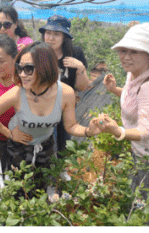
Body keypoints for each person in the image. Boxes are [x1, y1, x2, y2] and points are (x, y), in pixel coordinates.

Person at [0, 42, 94, 192]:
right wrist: (10, 134)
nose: (22, 74)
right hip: (19, 148)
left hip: (46, 145)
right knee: (19, 190)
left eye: (28, 69)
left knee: (42, 187)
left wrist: (89, 131)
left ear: (45, 68)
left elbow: (71, 126)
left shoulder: (65, 93)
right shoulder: (17, 93)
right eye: (20, 68)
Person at [91, 22, 149, 160]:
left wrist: (118, 131)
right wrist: (114, 89)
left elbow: (146, 131)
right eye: (123, 50)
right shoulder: (133, 73)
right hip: (138, 150)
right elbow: (138, 99)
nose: (126, 57)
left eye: (134, 51)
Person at [38, 15, 90, 156]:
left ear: (64, 37)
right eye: (48, 33)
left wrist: (80, 68)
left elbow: (83, 87)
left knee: (64, 138)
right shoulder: (38, 53)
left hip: (66, 107)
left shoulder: (75, 53)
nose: (51, 38)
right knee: (45, 141)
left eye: (56, 34)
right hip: (43, 107)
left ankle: (61, 168)